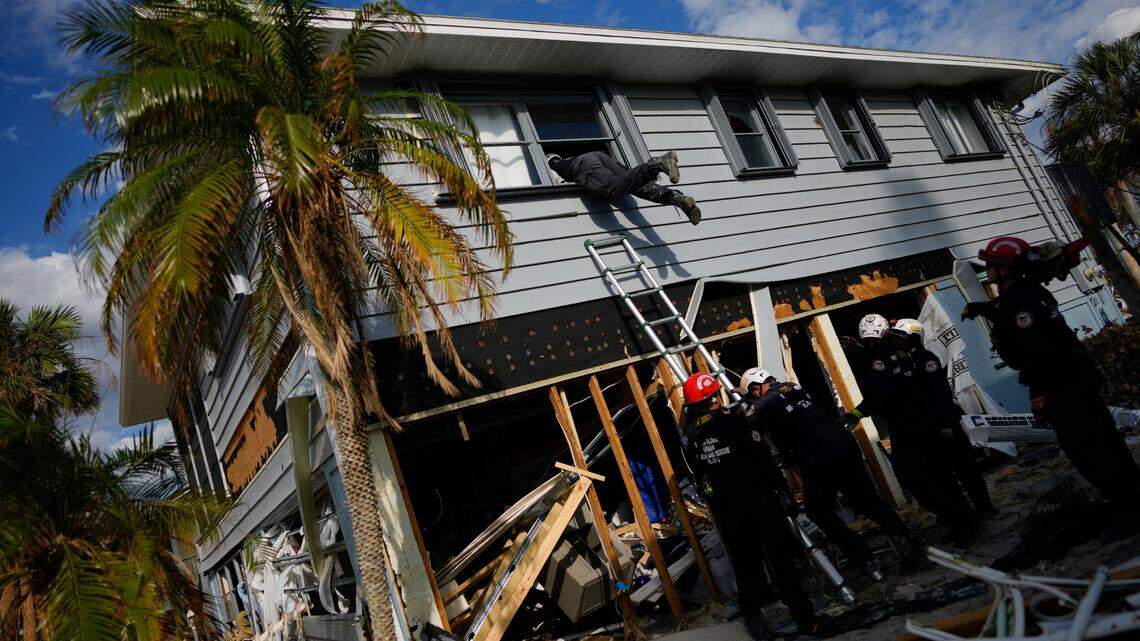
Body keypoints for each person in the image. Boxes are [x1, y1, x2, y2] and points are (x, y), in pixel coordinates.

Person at [965, 236, 1140, 530]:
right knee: (1104, 439)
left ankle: (1128, 509)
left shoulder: (1018, 302)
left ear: (1005, 269)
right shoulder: (1028, 292)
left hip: (1062, 384)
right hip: (1076, 378)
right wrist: (992, 310)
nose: (987, 270)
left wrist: (1040, 392)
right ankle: (1132, 496)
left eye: (991, 265)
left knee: (1087, 448)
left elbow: (1034, 351)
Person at [681, 373, 833, 640]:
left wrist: (716, 498)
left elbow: (700, 477)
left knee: (746, 569)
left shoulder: (690, 437)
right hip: (760, 503)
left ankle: (757, 628)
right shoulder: (736, 423)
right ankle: (807, 621)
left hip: (729, 514)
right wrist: (783, 491)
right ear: (714, 398)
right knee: (782, 561)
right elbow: (763, 460)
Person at [737, 367, 928, 576]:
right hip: (843, 445)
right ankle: (911, 549)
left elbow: (745, 431)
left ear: (756, 389)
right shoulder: (791, 387)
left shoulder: (764, 404)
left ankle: (862, 555)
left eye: (750, 395)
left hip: (818, 457)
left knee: (817, 510)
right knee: (868, 502)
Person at [843, 314, 983, 547]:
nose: (897, 340)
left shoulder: (883, 357)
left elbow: (881, 394)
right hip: (920, 424)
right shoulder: (899, 355)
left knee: (919, 479)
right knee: (939, 477)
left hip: (910, 427)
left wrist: (857, 413)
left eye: (900, 337)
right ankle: (963, 522)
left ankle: (963, 523)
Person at [891, 319, 996, 516]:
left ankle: (985, 508)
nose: (896, 342)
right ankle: (965, 516)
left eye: (900, 337)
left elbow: (938, 394)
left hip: (945, 425)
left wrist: (945, 424)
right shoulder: (905, 363)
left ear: (913, 339)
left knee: (966, 469)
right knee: (943, 476)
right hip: (928, 429)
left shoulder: (926, 360)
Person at [547, 150, 703, 225]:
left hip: (585, 163)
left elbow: (559, 183)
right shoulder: (569, 158)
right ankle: (675, 197)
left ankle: (656, 164)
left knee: (609, 188)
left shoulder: (554, 164)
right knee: (635, 186)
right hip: (605, 158)